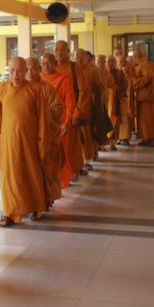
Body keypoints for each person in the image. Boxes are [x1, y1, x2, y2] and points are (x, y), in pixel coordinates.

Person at [0, 57, 49, 226]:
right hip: (8, 144)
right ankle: (9, 213)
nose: (15, 75)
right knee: (9, 179)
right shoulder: (2, 89)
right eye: (12, 71)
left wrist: (42, 143)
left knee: (31, 176)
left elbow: (43, 119)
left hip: (29, 142)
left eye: (19, 71)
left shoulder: (35, 90)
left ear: (25, 71)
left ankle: (35, 207)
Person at [26, 57, 64, 209]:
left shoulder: (47, 88)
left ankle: (47, 198)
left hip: (46, 136)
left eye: (34, 68)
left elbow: (58, 108)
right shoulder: (18, 89)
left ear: (39, 69)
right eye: (27, 69)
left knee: (47, 169)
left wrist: (41, 115)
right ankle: (30, 201)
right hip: (27, 139)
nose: (30, 72)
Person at [54, 40, 90, 181]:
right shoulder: (51, 67)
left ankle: (73, 171)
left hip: (71, 111)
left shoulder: (74, 68)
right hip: (55, 114)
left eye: (63, 49)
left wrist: (77, 111)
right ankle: (59, 173)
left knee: (72, 145)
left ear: (68, 51)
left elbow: (84, 91)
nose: (59, 52)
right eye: (57, 49)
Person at [40, 53, 76, 189]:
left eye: (49, 62)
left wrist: (66, 122)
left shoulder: (64, 79)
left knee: (61, 153)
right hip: (42, 123)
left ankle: (62, 181)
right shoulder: (37, 79)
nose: (46, 66)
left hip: (59, 123)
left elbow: (70, 103)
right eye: (43, 63)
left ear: (55, 64)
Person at [132, 46, 154, 146]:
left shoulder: (144, 65)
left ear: (135, 56)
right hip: (147, 97)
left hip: (146, 97)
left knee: (149, 119)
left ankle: (152, 139)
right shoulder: (150, 64)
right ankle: (146, 138)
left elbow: (148, 77)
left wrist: (134, 83)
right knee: (144, 119)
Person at [113, 47, 134, 146]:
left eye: (123, 61)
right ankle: (118, 137)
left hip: (126, 97)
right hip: (117, 98)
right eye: (117, 54)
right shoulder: (113, 70)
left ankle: (125, 137)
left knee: (126, 118)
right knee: (118, 118)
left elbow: (131, 81)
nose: (122, 62)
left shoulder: (128, 68)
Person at [106, 54, 126, 150]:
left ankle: (113, 143)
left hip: (116, 102)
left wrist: (117, 90)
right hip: (106, 102)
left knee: (115, 122)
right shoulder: (103, 73)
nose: (110, 63)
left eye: (112, 61)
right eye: (108, 61)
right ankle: (105, 142)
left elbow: (124, 85)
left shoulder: (119, 73)